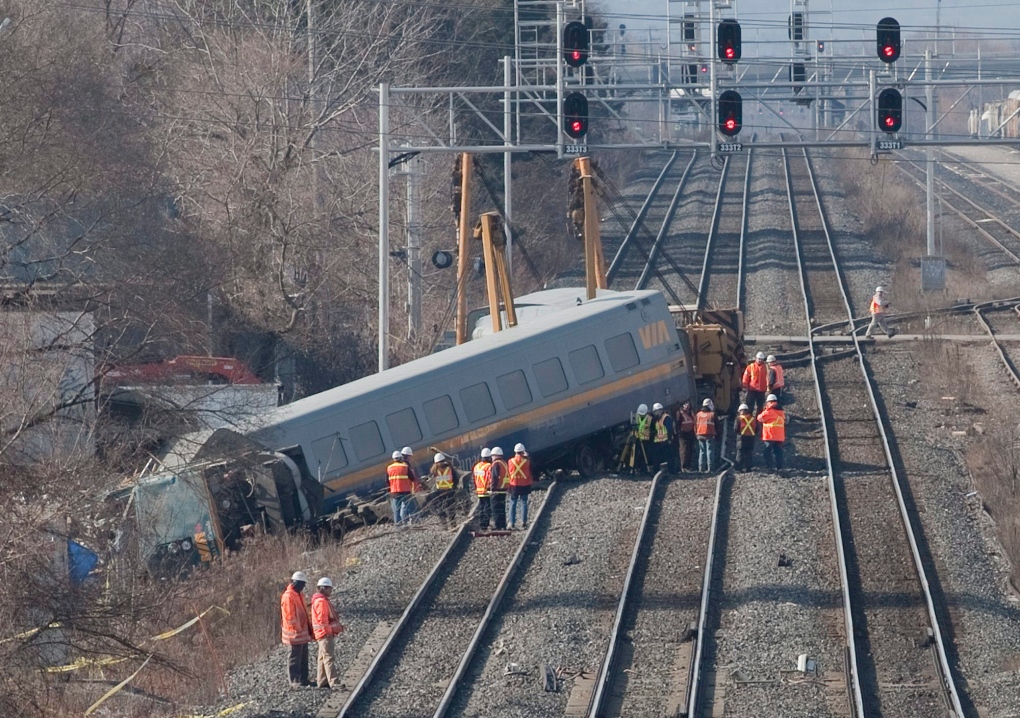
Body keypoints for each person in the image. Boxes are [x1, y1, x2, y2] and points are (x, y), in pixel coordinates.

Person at [311, 577, 344, 689]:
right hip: (324, 634)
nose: (331, 591)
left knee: (322, 658)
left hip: (321, 633)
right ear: (323, 588)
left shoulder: (318, 600)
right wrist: (329, 631)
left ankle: (322, 681)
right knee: (329, 657)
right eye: (329, 589)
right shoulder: (321, 602)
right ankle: (334, 682)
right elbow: (322, 620)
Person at [281, 571, 312, 688]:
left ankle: (303, 679)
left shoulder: (299, 594)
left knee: (303, 657)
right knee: (294, 657)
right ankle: (294, 681)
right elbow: (290, 616)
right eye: (302, 584)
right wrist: (297, 629)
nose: (303, 587)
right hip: (294, 633)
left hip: (302, 632)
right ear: (296, 583)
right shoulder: (289, 596)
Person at [428, 452, 458, 530]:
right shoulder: (449, 468)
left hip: (439, 492)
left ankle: (444, 524)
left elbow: (431, 481)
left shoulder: (434, 470)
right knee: (451, 507)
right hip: (449, 490)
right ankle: (453, 523)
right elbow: (456, 479)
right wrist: (454, 487)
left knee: (440, 508)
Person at [757, 394, 786, 472]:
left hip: (770, 435)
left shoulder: (769, 411)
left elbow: (760, 418)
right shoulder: (781, 411)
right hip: (779, 436)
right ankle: (780, 467)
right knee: (778, 452)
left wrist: (765, 409)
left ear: (769, 402)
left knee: (767, 451)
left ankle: (769, 467)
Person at [507, 443, 533, 530]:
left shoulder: (510, 461)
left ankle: (512, 523)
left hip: (514, 484)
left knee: (513, 503)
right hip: (524, 484)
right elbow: (531, 469)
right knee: (524, 503)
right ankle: (523, 522)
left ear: (515, 452)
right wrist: (527, 457)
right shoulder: (527, 461)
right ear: (523, 452)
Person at [387, 451, 414, 526]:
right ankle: (413, 522)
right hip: (405, 491)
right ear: (401, 458)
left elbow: (387, 481)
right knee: (410, 507)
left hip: (395, 492)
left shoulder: (389, 468)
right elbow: (412, 478)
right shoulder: (405, 467)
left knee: (396, 511)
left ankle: (398, 526)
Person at [489, 447, 509, 530]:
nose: (491, 458)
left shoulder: (496, 464)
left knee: (495, 508)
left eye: (492, 456)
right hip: (503, 489)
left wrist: (492, 489)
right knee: (502, 508)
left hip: (497, 489)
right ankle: (503, 525)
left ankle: (498, 525)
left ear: (495, 455)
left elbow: (494, 477)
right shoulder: (504, 463)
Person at [652, 402, 676, 473]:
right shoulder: (660, 418)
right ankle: (657, 471)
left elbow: (669, 429)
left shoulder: (664, 418)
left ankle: (671, 471)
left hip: (663, 441)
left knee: (667, 457)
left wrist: (669, 439)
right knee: (659, 458)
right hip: (661, 441)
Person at [472, 448, 493, 530]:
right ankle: (486, 524)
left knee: (481, 507)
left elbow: (474, 479)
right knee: (487, 507)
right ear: (488, 458)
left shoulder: (476, 466)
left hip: (479, 490)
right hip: (486, 489)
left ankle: (482, 524)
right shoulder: (489, 467)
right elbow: (491, 479)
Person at [734, 403, 757, 472]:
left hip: (741, 438)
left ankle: (738, 468)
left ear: (741, 411)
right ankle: (748, 468)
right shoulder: (753, 419)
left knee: (740, 453)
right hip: (751, 438)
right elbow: (757, 428)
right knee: (748, 453)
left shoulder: (738, 419)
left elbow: (735, 429)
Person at [695, 398, 716, 473]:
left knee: (702, 451)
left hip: (699, 435)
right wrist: (717, 434)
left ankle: (701, 468)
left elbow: (695, 425)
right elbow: (717, 425)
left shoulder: (698, 414)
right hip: (709, 434)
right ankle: (710, 468)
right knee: (709, 450)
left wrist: (696, 434)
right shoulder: (712, 414)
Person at [677, 400, 697, 472]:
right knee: (684, 450)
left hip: (691, 433)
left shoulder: (691, 413)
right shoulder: (680, 413)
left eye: (688, 404)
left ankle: (689, 466)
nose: (687, 405)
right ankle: (684, 466)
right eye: (685, 404)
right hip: (683, 434)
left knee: (691, 450)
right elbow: (678, 423)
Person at [633, 403, 654, 473]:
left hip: (646, 440)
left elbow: (652, 429)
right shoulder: (636, 416)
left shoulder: (649, 418)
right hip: (637, 439)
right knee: (635, 455)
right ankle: (634, 468)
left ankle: (643, 470)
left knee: (644, 456)